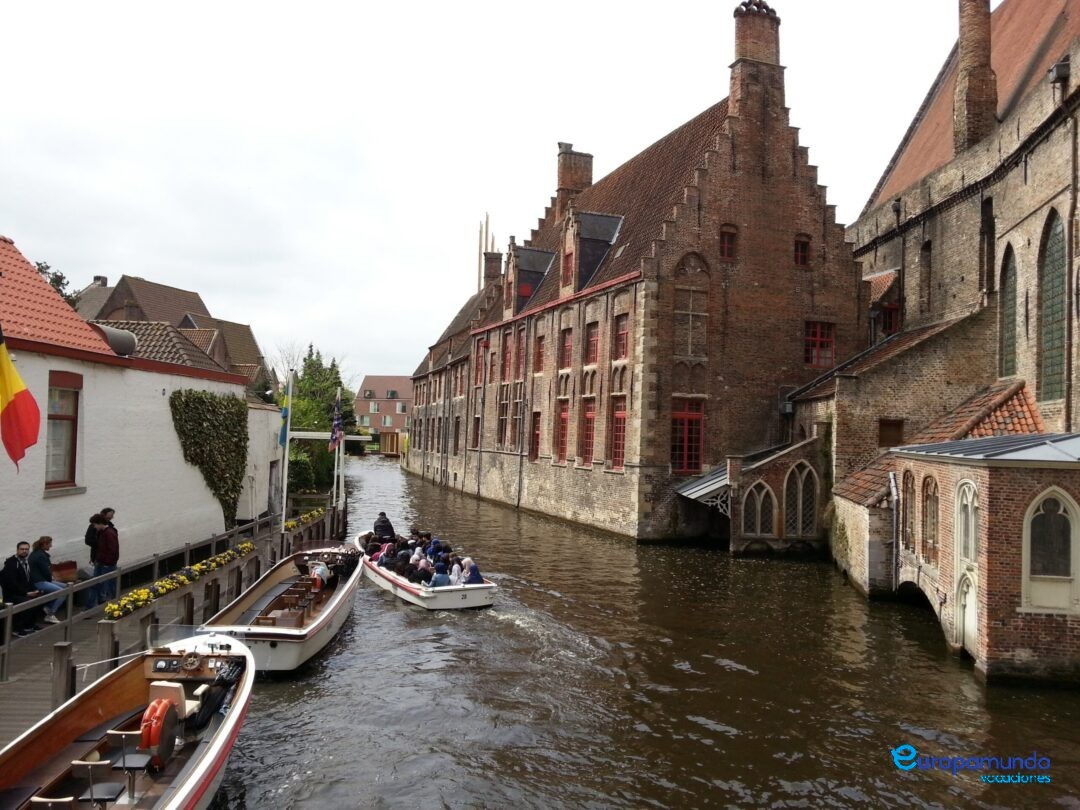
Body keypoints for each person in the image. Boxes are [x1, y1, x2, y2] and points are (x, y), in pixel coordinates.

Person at [0, 542, 44, 635]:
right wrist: (26, 593)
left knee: (39, 598)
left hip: (22, 592)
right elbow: (12, 584)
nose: (24, 551)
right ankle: (17, 628)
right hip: (12, 594)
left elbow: (29, 579)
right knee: (27, 601)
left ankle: (29, 625)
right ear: (17, 550)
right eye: (22, 549)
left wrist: (35, 590)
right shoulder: (11, 564)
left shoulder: (25, 561)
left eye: (26, 549)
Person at [85, 513, 119, 608]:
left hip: (107, 564)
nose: (94, 527)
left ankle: (114, 606)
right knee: (95, 584)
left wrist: (107, 563)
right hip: (100, 562)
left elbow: (112, 550)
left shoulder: (109, 533)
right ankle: (89, 607)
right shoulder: (102, 532)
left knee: (109, 586)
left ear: (100, 523)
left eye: (95, 524)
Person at [29, 536, 65, 623]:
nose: (51, 546)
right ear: (44, 544)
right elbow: (46, 571)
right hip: (39, 582)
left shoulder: (36, 553)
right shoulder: (40, 556)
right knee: (63, 592)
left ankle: (49, 607)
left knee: (67, 587)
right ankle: (50, 614)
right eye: (50, 544)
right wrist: (51, 580)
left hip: (41, 580)